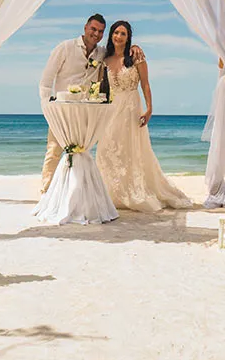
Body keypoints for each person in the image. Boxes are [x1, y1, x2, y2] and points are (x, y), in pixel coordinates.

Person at [39, 14, 143, 193]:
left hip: (86, 112)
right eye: (93, 29)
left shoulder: (101, 53)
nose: (96, 33)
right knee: (54, 151)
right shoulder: (65, 48)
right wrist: (49, 109)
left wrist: (133, 46)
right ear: (85, 27)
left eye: (101, 31)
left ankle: (76, 193)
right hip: (63, 110)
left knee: (82, 153)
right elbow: (46, 82)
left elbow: (118, 53)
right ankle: (46, 192)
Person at [96, 21, 192, 212]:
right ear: (111, 35)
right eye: (116, 32)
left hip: (131, 107)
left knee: (131, 150)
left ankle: (133, 191)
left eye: (123, 34)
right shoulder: (105, 60)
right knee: (106, 149)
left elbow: (145, 85)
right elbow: (101, 88)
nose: (119, 37)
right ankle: (110, 193)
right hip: (111, 109)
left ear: (128, 37)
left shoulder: (136, 57)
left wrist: (149, 108)